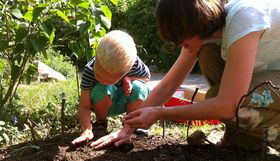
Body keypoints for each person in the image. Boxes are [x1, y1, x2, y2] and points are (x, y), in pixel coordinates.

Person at [91, 0, 280, 152]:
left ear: (194, 24)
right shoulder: (209, 31)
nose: (182, 46)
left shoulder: (243, 18)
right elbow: (168, 85)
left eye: (181, 40)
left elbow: (227, 105)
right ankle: (244, 137)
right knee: (208, 54)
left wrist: (160, 113)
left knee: (221, 99)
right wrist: (127, 129)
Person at [71, 30, 150, 146]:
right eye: (99, 75)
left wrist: (129, 79)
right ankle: (100, 124)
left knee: (140, 87)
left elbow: (146, 77)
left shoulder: (135, 64)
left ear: (126, 71)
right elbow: (84, 106)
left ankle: (131, 124)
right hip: (102, 104)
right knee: (102, 87)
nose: (103, 80)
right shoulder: (89, 69)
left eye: (109, 80)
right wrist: (86, 129)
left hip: (123, 100)